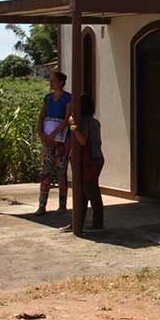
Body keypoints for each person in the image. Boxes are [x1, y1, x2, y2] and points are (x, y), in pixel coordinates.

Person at [62, 93, 104, 233]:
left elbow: (82, 140)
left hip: (89, 161)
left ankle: (96, 224)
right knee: (84, 193)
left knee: (90, 192)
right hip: (96, 159)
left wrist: (72, 125)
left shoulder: (84, 122)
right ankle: (77, 222)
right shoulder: (95, 122)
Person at [35, 71, 72, 215]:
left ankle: (62, 205)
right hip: (48, 140)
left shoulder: (68, 98)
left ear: (61, 82)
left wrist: (54, 133)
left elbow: (66, 118)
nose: (51, 83)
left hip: (61, 140)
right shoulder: (48, 98)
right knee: (46, 172)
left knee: (61, 172)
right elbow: (41, 116)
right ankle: (42, 205)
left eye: (53, 80)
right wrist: (41, 134)